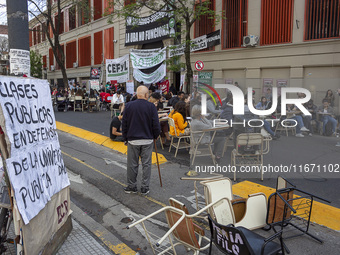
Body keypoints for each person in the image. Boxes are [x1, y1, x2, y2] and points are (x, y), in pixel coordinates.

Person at [122, 86, 160, 195]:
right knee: (146, 164)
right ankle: (144, 187)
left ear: (137, 94)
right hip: (147, 140)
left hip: (133, 140)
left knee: (132, 164)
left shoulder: (128, 106)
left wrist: (125, 138)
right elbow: (155, 124)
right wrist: (156, 135)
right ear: (147, 95)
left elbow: (124, 124)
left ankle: (131, 186)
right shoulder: (151, 107)